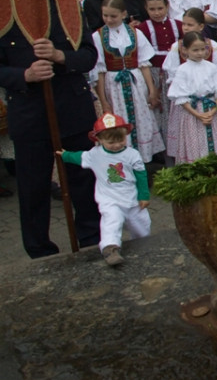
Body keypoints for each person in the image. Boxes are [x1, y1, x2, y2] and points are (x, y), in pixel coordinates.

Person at [0, 1, 102, 258]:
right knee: (33, 187)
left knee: (83, 180)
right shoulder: (4, 13)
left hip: (73, 109)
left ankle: (91, 240)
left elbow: (89, 55)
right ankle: (40, 251)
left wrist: (61, 56)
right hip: (29, 113)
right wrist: (24, 75)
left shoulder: (66, 9)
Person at [57, 113, 151, 266]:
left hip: (132, 199)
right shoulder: (95, 154)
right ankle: (110, 248)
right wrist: (65, 155)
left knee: (141, 224)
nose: (116, 145)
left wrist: (144, 195)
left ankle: (143, 243)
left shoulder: (132, 155)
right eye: (110, 142)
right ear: (99, 140)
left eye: (120, 140)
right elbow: (80, 157)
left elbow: (141, 176)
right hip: (110, 200)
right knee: (111, 222)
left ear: (125, 136)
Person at [93, 0, 165, 164]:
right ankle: (123, 163)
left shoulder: (135, 33)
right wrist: (103, 101)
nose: (109, 20)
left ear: (124, 14)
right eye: (105, 15)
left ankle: (142, 163)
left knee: (141, 119)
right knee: (119, 120)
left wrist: (152, 90)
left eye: (113, 16)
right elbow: (100, 72)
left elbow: (143, 64)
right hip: (114, 86)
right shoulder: (98, 37)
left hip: (135, 84)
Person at [166, 31, 217, 164]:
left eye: (202, 49)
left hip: (213, 109)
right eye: (195, 50)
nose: (200, 53)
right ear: (185, 50)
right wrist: (198, 114)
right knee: (196, 143)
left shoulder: (212, 68)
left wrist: (212, 111)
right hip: (193, 112)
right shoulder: (182, 70)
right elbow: (181, 97)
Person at [135, 0, 182, 149]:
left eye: (160, 8)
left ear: (167, 6)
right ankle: (165, 150)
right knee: (161, 112)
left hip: (176, 74)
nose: (156, 13)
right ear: (146, 9)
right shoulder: (142, 29)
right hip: (154, 74)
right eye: (152, 9)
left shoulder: (178, 25)